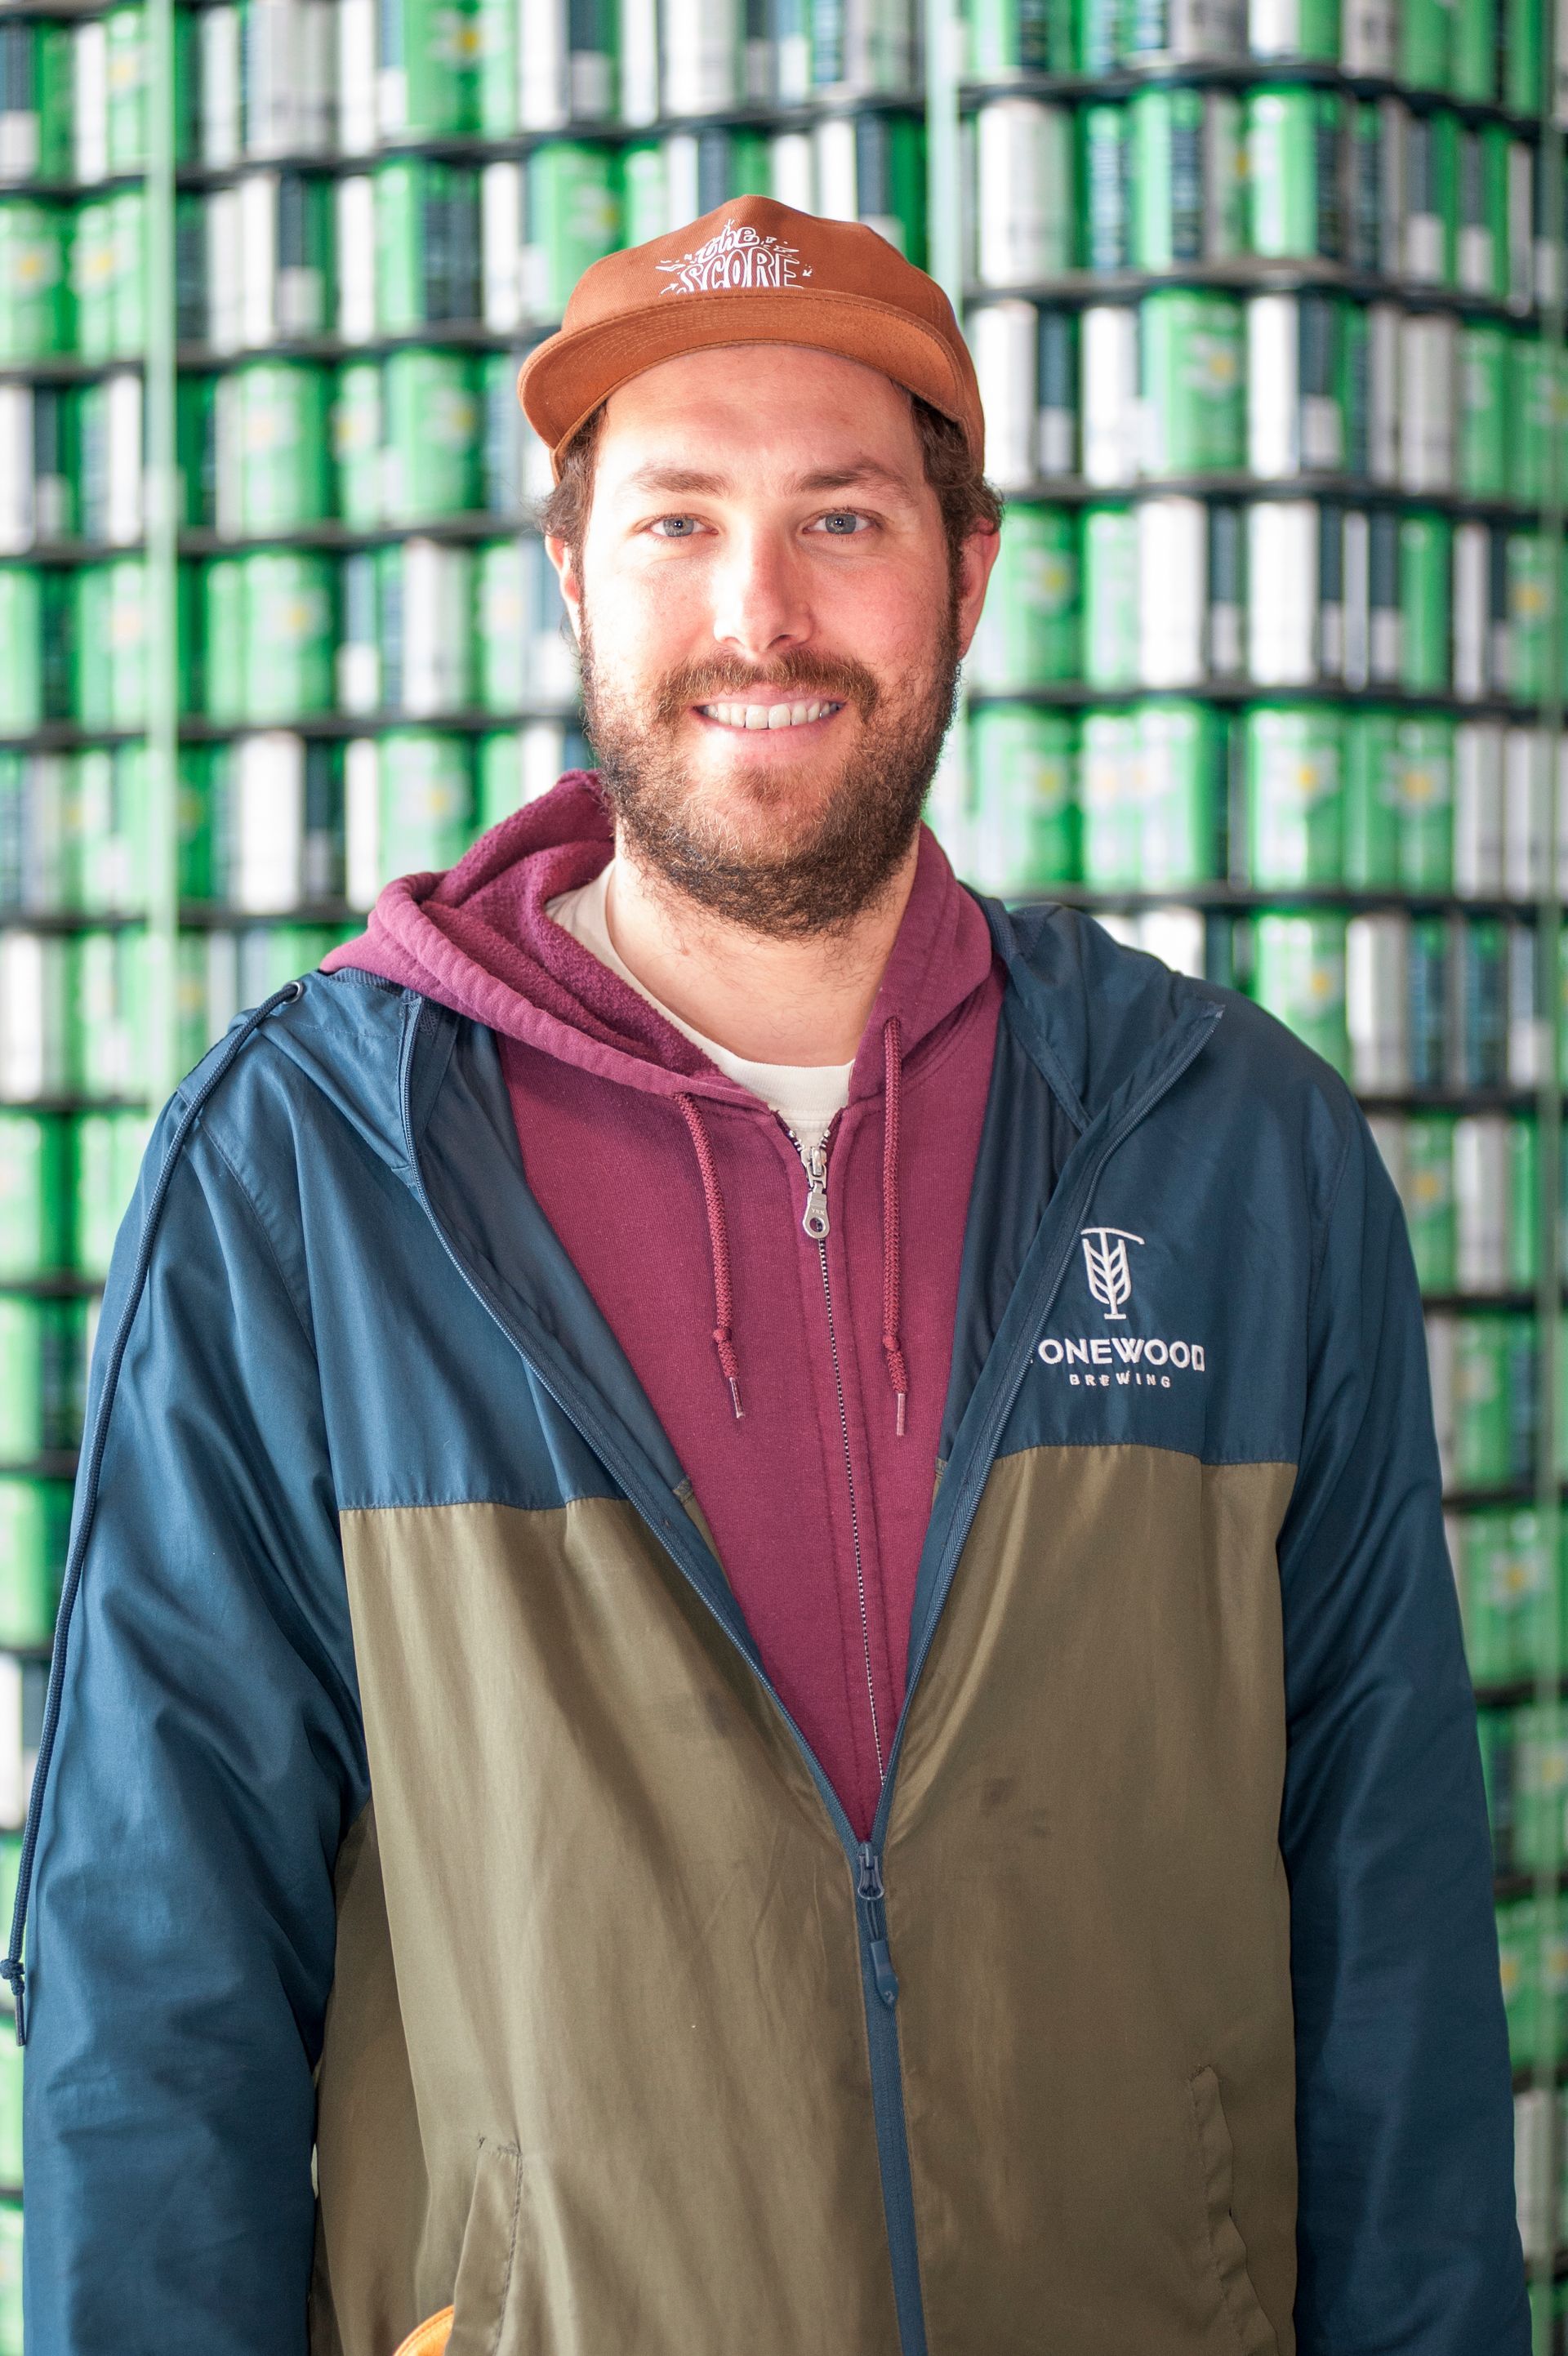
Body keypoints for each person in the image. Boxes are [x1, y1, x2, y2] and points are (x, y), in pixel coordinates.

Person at [16, 196, 1525, 2354]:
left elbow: (1389, 1948)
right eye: (675, 523)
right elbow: (154, 1992)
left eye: (841, 518)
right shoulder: (309, 1169)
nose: (760, 611)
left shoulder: (1238, 1154)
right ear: (569, 573)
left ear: (968, 570)